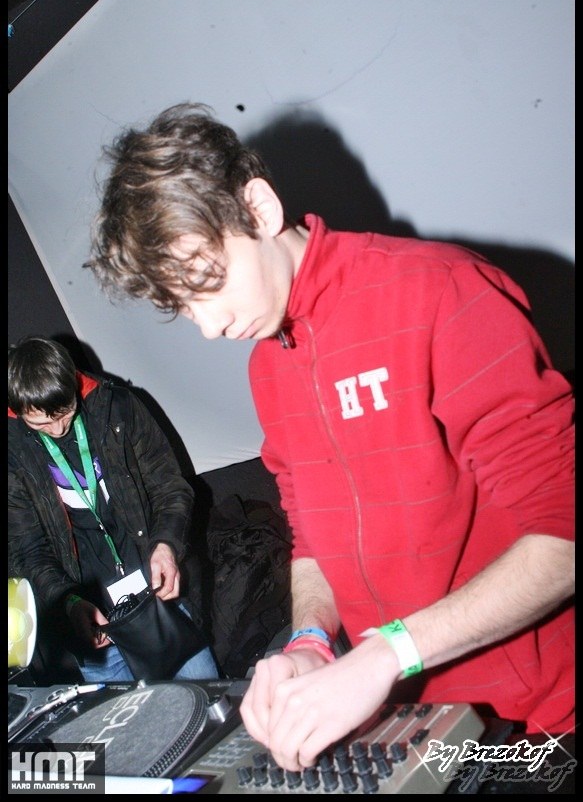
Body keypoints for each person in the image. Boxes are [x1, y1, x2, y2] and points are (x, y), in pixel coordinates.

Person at [84, 102, 574, 770]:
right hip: (414, 723)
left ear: (258, 209)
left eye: (205, 282)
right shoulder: (267, 365)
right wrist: (311, 640)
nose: (209, 326)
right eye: (183, 306)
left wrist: (386, 653)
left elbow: (563, 535)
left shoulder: (438, 291)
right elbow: (316, 535)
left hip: (535, 724)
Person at [8, 335, 219, 683]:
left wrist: (166, 546)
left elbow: (170, 487)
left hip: (156, 597)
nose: (58, 429)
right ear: (17, 410)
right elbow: (28, 548)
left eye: (66, 412)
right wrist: (69, 602)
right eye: (41, 424)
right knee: (125, 717)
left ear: (73, 383)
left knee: (204, 698)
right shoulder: (13, 450)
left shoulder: (116, 407)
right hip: (90, 620)